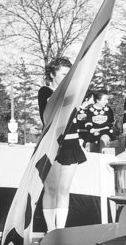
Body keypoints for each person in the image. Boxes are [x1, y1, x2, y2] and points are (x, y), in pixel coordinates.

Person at [38, 57, 87, 232]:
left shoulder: (73, 92)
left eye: (68, 74)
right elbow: (47, 117)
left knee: (64, 189)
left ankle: (61, 229)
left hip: (72, 143)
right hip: (53, 144)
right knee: (51, 188)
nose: (66, 77)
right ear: (52, 74)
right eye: (63, 74)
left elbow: (78, 118)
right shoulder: (45, 91)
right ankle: (51, 230)